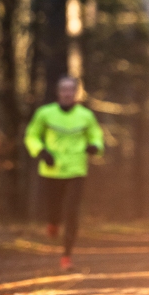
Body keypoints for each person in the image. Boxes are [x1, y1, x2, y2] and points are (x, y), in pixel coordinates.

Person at [24, 76, 104, 271]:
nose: (67, 93)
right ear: (58, 92)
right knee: (54, 209)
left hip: (76, 170)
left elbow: (96, 136)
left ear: (77, 93)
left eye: (71, 90)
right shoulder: (45, 113)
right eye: (64, 90)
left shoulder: (85, 116)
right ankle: (52, 223)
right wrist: (41, 151)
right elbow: (32, 135)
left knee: (72, 212)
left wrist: (95, 146)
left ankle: (67, 256)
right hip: (51, 170)